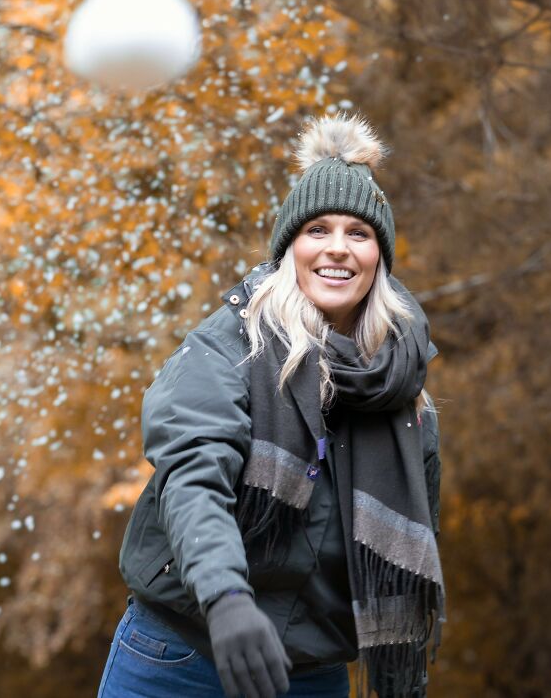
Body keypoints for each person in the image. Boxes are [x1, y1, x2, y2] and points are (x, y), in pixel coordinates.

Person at [97, 113, 445, 698]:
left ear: (378, 258)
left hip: (311, 677)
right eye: (318, 230)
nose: (338, 248)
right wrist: (226, 597)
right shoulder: (230, 344)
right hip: (181, 655)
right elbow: (194, 476)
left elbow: (419, 539)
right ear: (290, 247)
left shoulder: (404, 391)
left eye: (359, 233)